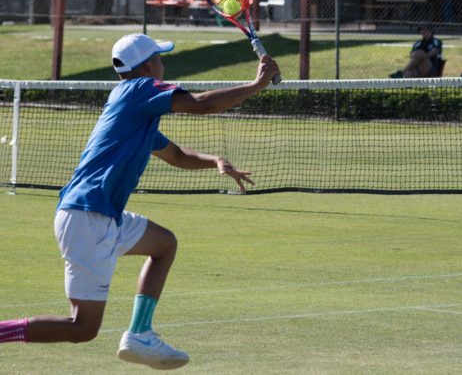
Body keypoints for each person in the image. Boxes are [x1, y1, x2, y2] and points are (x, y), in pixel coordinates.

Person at [0, 33, 280, 370]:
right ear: (148, 66)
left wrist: (214, 160)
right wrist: (256, 84)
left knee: (164, 244)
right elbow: (202, 103)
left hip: (99, 215)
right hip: (88, 216)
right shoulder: (140, 90)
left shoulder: (136, 109)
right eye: (160, 58)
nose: (163, 63)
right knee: (83, 328)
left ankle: (140, 332)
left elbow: (176, 154)